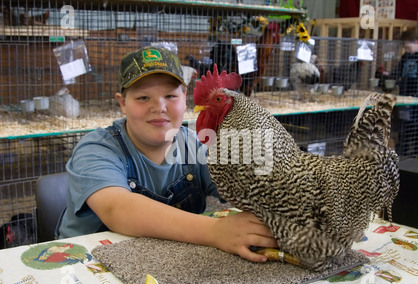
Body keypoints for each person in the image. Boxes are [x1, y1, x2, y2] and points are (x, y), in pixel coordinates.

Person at [55, 46, 277, 263]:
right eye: (143, 98)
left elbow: (245, 187)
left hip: (163, 263)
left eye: (170, 95)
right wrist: (217, 231)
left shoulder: (197, 145)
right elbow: (118, 209)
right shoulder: (97, 149)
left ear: (185, 98)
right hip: (88, 267)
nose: (159, 106)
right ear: (123, 103)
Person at [390, 30, 418, 156]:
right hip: (405, 95)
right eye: (405, 47)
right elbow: (398, 71)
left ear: (416, 42)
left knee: (417, 123)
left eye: (408, 47)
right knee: (404, 122)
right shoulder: (406, 56)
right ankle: (402, 148)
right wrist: (389, 77)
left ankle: (417, 150)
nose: (406, 50)